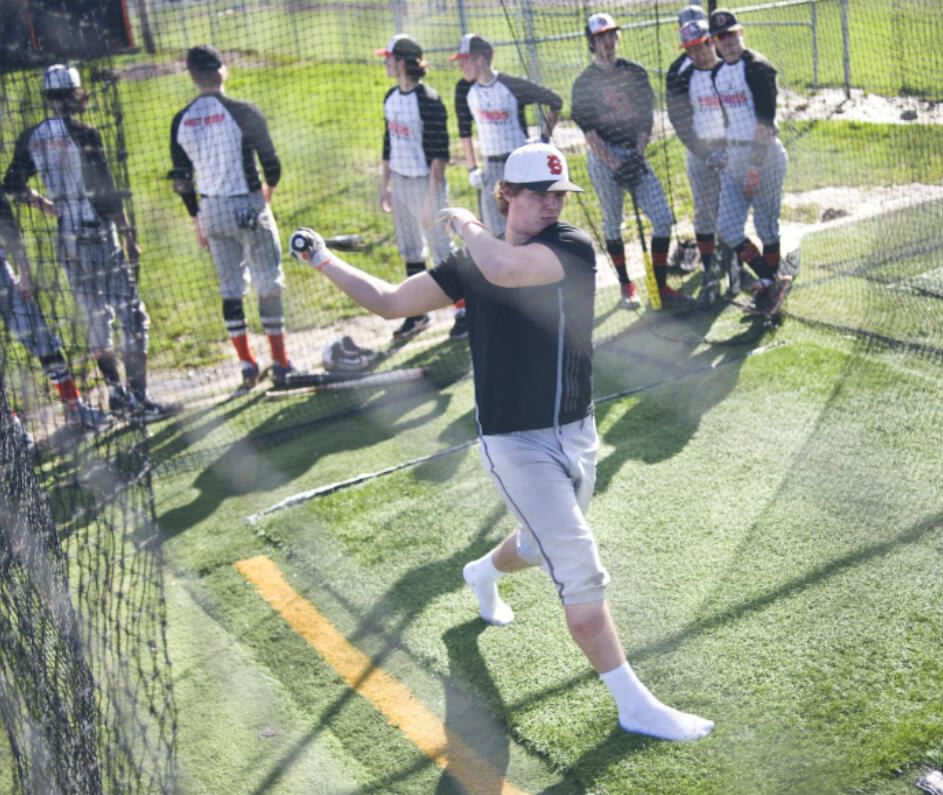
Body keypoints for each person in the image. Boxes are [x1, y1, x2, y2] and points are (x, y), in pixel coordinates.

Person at [286, 142, 714, 743]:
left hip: (577, 430)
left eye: (558, 196)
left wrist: (464, 224)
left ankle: (481, 571)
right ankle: (634, 705)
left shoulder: (568, 247)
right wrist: (324, 260)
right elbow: (388, 304)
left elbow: (508, 270)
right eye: (538, 194)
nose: (550, 205)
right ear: (505, 195)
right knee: (579, 568)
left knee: (541, 546)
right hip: (515, 445)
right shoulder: (470, 264)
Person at [4, 64, 171, 420]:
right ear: (77, 93)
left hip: (66, 237)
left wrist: (46, 205)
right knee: (133, 318)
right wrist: (127, 235)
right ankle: (139, 400)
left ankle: (115, 394)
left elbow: (13, 184)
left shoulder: (31, 136)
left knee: (96, 319)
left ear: (48, 97)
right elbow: (107, 194)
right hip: (97, 233)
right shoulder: (85, 133)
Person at [0, 130, 110, 432]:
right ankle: (11, 429)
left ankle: (75, 407)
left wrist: (24, 272)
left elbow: (9, 227)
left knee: (42, 339)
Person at [168, 44, 294, 394]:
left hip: (211, 211)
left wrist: (196, 218)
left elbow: (181, 180)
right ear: (222, 71)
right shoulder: (243, 111)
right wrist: (267, 191)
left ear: (192, 75)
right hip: (247, 204)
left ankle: (246, 365)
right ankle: (281, 362)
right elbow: (272, 164)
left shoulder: (181, 120)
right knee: (267, 281)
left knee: (230, 289)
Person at [570, 11, 691, 310]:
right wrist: (616, 165)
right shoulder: (584, 83)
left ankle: (660, 286)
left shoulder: (635, 72)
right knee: (613, 223)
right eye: (600, 38)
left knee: (662, 218)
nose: (607, 42)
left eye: (611, 35)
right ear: (591, 43)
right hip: (604, 158)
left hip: (633, 153)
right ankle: (627, 285)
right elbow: (590, 133)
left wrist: (636, 158)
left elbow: (644, 120)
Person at [451, 32, 564, 340]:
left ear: (481, 59)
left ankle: (540, 297)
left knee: (526, 231)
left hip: (519, 168)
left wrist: (542, 139)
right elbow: (464, 129)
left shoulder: (511, 85)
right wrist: (472, 165)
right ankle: (504, 303)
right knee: (492, 234)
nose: (461, 67)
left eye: (465, 61)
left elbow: (555, 101)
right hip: (490, 168)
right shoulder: (465, 90)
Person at [708, 10, 791, 314]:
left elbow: (765, 123)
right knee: (728, 226)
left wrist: (754, 166)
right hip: (737, 157)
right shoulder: (718, 74)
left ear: (740, 32)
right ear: (714, 42)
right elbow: (732, 120)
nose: (727, 42)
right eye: (720, 38)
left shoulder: (758, 67)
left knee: (766, 227)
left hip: (764, 155)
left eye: (730, 34)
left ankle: (770, 290)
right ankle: (771, 281)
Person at [377, 33, 454, 341]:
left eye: (389, 58)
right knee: (410, 251)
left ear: (403, 62)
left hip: (427, 184)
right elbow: (388, 144)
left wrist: (429, 203)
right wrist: (385, 186)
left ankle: (464, 310)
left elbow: (440, 156)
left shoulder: (429, 100)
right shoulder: (390, 98)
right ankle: (418, 314)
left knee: (442, 250)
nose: (385, 62)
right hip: (401, 181)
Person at [665, 14, 728, 305]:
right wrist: (705, 152)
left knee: (732, 213)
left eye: (701, 45)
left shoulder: (730, 64)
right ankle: (709, 272)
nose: (697, 53)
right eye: (690, 48)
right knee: (705, 212)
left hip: (732, 149)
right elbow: (679, 120)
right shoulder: (680, 74)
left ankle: (732, 269)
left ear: (711, 40)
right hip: (700, 152)